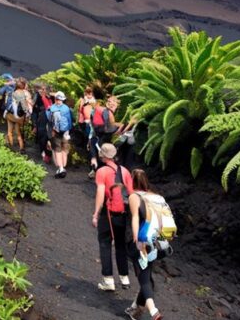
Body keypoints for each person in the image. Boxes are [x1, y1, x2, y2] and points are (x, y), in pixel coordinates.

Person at [91, 143, 133, 292]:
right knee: (121, 244)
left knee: (105, 244)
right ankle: (124, 277)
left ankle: (108, 280)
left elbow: (100, 193)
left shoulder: (102, 171)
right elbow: (131, 193)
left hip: (108, 213)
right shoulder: (125, 171)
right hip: (122, 214)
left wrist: (96, 213)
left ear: (102, 156)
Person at [125, 169, 164, 320]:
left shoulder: (135, 196)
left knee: (144, 277)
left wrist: (136, 238)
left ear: (133, 181)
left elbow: (135, 217)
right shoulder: (156, 196)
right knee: (147, 274)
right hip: (156, 240)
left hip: (142, 240)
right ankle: (135, 309)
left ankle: (153, 311)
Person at [89, 96, 121, 178]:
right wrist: (123, 126)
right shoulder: (108, 112)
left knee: (96, 151)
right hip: (103, 137)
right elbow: (111, 125)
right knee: (104, 155)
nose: (112, 104)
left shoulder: (100, 110)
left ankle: (95, 169)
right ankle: (101, 172)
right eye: (110, 102)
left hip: (97, 136)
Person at [47, 91, 73, 178]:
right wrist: (68, 131)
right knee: (64, 149)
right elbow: (70, 120)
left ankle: (61, 168)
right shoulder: (66, 108)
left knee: (57, 150)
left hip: (56, 132)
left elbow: (49, 121)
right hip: (65, 132)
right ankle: (63, 166)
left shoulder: (51, 108)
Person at [4, 77, 32, 151]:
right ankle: (21, 148)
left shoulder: (12, 92)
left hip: (10, 114)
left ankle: (11, 148)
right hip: (19, 116)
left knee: (9, 132)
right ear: (24, 85)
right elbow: (28, 106)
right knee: (18, 133)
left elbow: (6, 103)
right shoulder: (26, 93)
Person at [32, 83, 53, 163]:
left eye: (44, 89)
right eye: (42, 89)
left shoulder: (51, 97)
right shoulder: (37, 96)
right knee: (42, 136)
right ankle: (43, 152)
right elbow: (34, 110)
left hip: (47, 118)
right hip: (40, 118)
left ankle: (47, 153)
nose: (42, 91)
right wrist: (34, 123)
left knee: (48, 137)